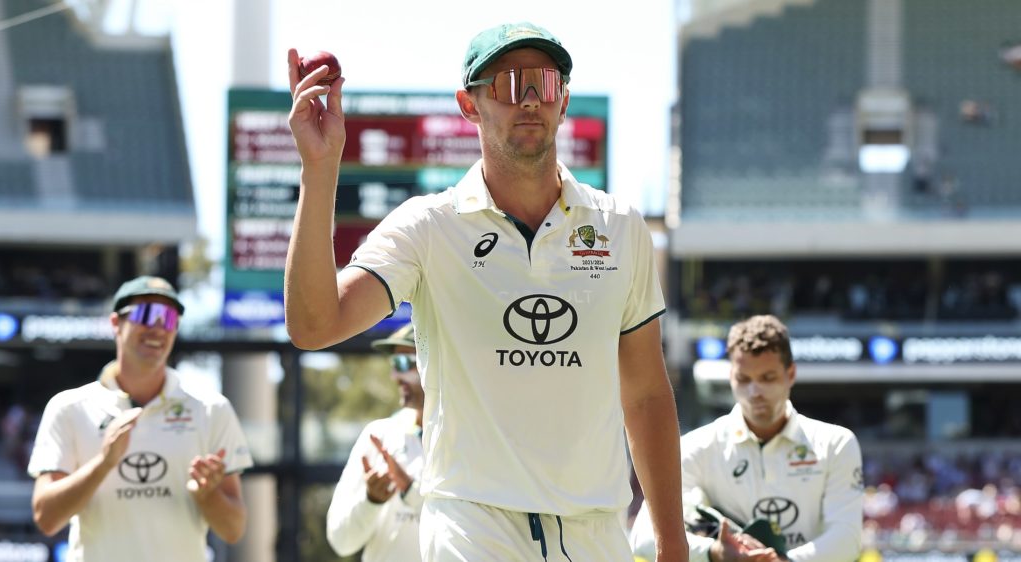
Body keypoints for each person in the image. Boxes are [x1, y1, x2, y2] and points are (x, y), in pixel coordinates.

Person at [286, 21, 687, 562]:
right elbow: (314, 324)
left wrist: (672, 539)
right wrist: (319, 169)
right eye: (505, 83)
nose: (527, 99)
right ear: (468, 105)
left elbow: (644, 395)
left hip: (597, 531)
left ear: (563, 102)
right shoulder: (427, 226)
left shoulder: (621, 226)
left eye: (543, 83)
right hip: (473, 527)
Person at [27, 276, 253, 561]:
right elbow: (46, 518)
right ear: (115, 324)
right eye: (146, 314)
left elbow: (233, 529)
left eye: (169, 318)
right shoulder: (69, 407)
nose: (158, 327)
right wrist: (104, 464)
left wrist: (208, 495)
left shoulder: (211, 409)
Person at [630, 315, 863, 562]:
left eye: (767, 378)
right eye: (744, 379)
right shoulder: (695, 447)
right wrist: (714, 552)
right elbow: (643, 536)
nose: (755, 392)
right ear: (731, 376)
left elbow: (847, 539)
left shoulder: (836, 443)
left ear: (791, 374)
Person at [326, 322, 425, 561]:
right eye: (394, 364)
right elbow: (341, 541)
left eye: (405, 364)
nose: (395, 376)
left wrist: (410, 491)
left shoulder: (467, 438)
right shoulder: (379, 435)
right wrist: (371, 501)